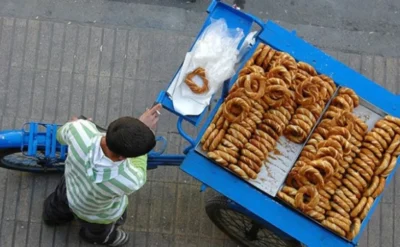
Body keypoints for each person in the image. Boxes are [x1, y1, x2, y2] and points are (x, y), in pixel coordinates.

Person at [42, 104, 162, 246]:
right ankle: (99, 238)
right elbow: (139, 164)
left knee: (58, 204)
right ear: (123, 157)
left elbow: (60, 135)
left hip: (70, 189)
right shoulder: (131, 179)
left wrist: (83, 125)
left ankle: (51, 217)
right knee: (99, 230)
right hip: (96, 215)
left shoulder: (79, 130)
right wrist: (143, 131)